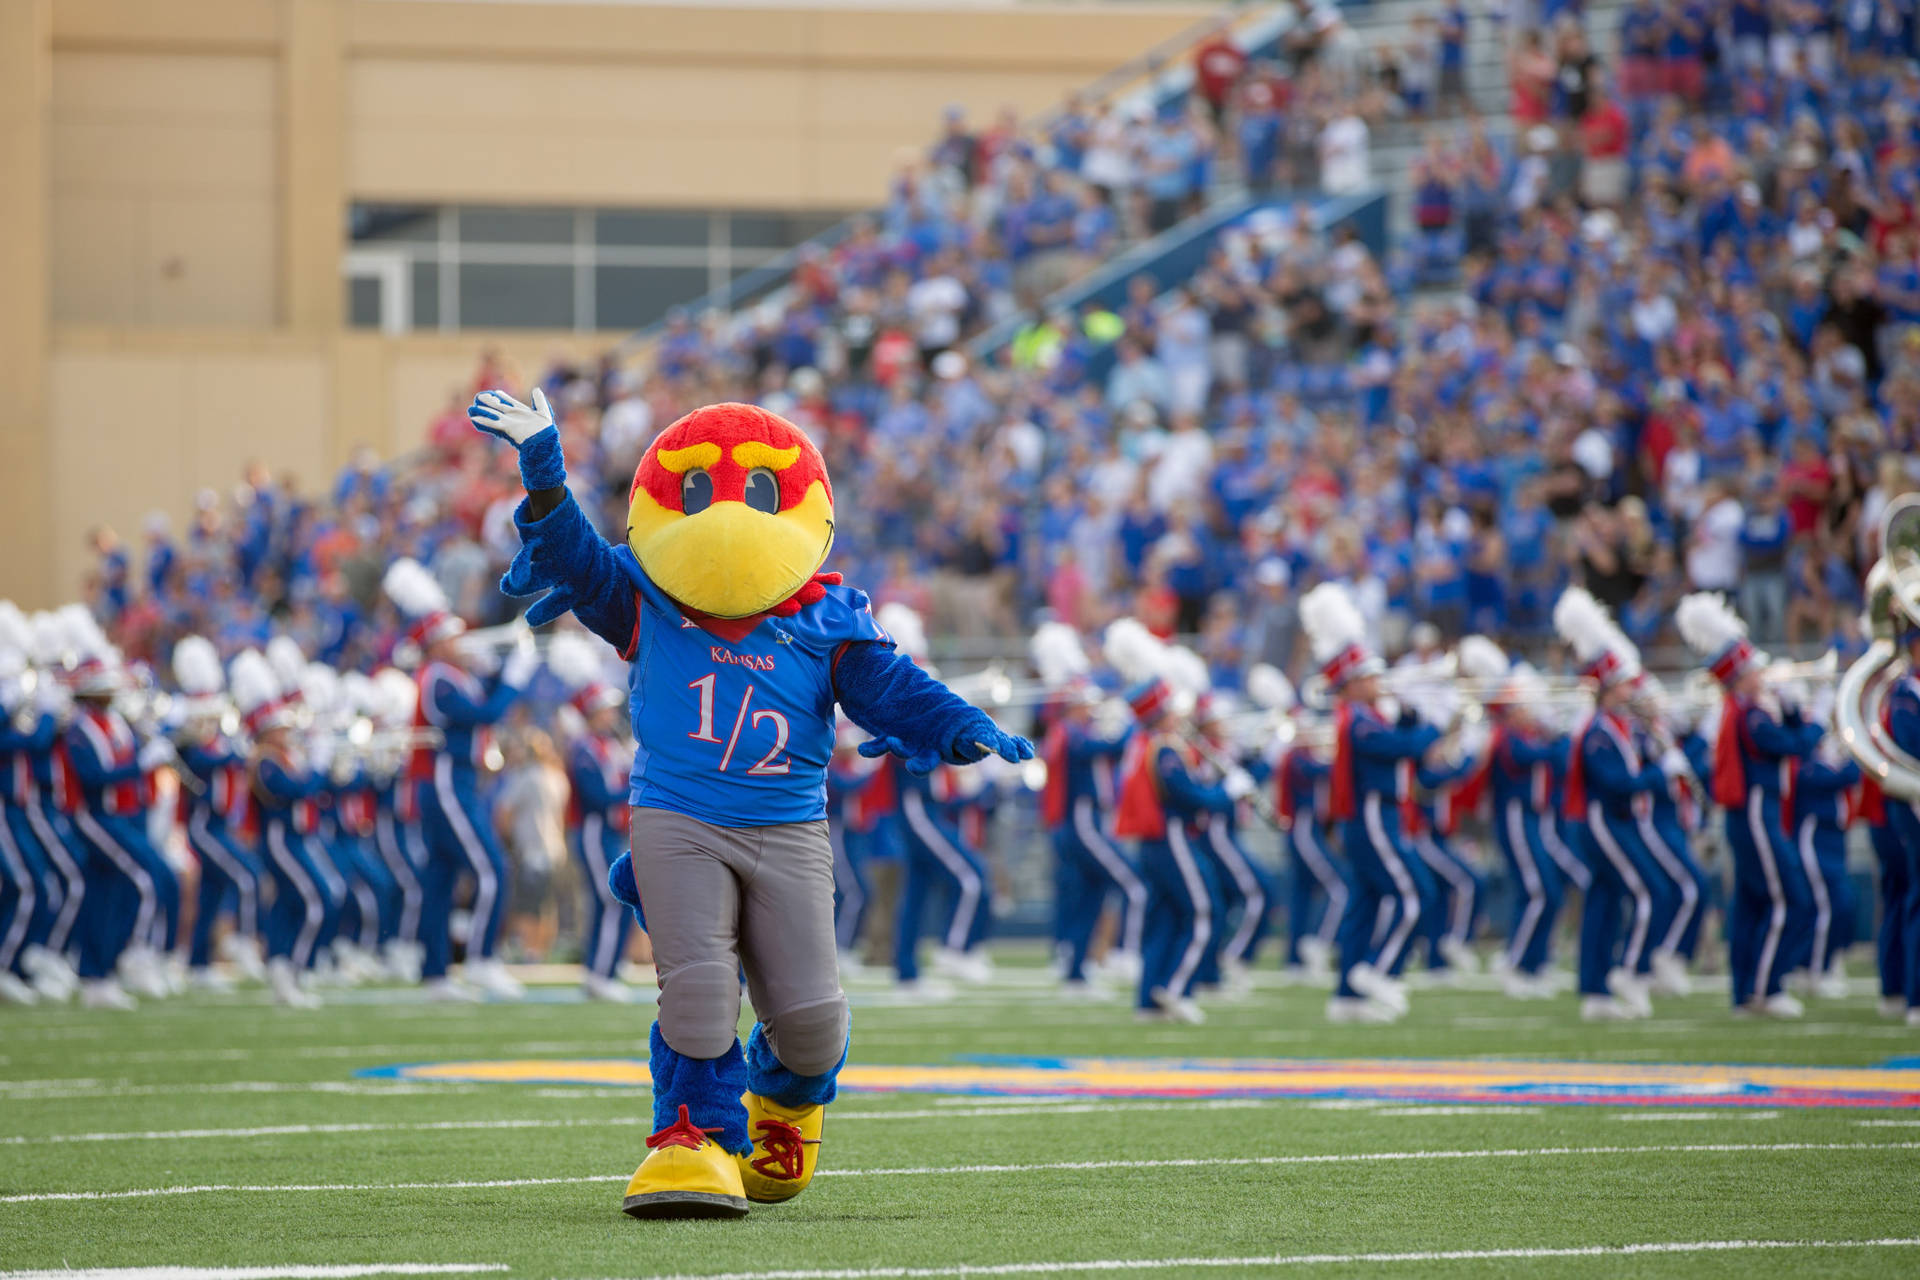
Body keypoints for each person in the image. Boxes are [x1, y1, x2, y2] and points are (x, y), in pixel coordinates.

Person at [469, 387, 1030, 1218]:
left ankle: (784, 1101)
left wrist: (960, 724)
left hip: (788, 825)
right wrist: (546, 468)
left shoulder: (824, 618)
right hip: (680, 816)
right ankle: (689, 1138)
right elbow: (575, 558)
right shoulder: (648, 596)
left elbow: (890, 687)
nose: (729, 520)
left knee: (813, 1024)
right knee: (697, 992)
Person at [384, 560, 538, 1002]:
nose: (462, 640)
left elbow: (483, 701)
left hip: (452, 780)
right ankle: (481, 960)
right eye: (452, 635)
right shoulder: (437, 677)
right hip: (447, 781)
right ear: (437, 643)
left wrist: (495, 673)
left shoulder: (454, 674)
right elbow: (483, 715)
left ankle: (435, 973)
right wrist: (513, 679)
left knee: (440, 877)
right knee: (491, 867)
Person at [1678, 593, 1822, 1018]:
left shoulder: (1744, 709)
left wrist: (1793, 710)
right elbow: (1789, 746)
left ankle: (1746, 991)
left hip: (1753, 814)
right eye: (1754, 669)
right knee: (1790, 899)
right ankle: (1765, 987)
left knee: (1752, 903)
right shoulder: (1749, 713)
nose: (1762, 674)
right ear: (1740, 676)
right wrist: (1811, 720)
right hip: (1756, 814)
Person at [1302, 582, 1440, 1024]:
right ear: (1352, 683)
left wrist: (1415, 712)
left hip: (1375, 816)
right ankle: (1378, 971)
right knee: (1415, 893)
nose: (1379, 683)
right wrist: (1434, 725)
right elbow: (1402, 748)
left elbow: (1403, 738)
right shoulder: (1358, 720)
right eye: (1371, 677)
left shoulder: (1366, 714)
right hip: (1371, 816)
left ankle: (1347, 995)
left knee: (1364, 905)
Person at [1556, 588, 1679, 1022]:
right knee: (1650, 891)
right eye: (1624, 683)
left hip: (1610, 820)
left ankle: (1595, 990)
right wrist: (1659, 772)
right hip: (1603, 821)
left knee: (1604, 901)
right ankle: (1630, 970)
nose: (1631, 690)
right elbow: (1616, 783)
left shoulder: (1616, 726)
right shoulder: (1598, 730)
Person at [1110, 675, 1245, 1023]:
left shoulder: (1142, 742)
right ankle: (1176, 988)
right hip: (1170, 837)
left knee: (1166, 918)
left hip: (1156, 842)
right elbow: (1188, 797)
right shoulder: (1164, 747)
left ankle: (1148, 1001)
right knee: (1204, 911)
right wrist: (1227, 792)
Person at [170, 636, 264, 991]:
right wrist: (234, 752)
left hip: (222, 822)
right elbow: (197, 764)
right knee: (245, 875)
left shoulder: (219, 735)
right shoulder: (189, 737)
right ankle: (243, 940)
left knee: (212, 891)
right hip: (204, 823)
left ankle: (198, 962)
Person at [550, 633, 638, 1003]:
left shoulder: (608, 744)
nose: (610, 714)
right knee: (609, 900)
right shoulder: (585, 747)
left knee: (619, 900)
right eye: (603, 708)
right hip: (593, 830)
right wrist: (637, 787)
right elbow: (598, 797)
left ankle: (607, 967)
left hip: (610, 830)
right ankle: (599, 973)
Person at [1040, 681, 1142, 993]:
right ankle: (1128, 954)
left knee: (1091, 897)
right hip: (1083, 820)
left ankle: (1076, 973)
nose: (1092, 711)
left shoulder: (1078, 731)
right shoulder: (1069, 732)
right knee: (1134, 884)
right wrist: (1129, 723)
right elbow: (1106, 748)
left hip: (1089, 820)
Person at [1274, 719, 1345, 982]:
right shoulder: (1296, 758)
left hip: (1309, 829)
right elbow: (1323, 771)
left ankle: (1295, 958)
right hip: (1303, 827)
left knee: (1302, 895)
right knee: (1339, 886)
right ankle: (1319, 943)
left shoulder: (1302, 756)